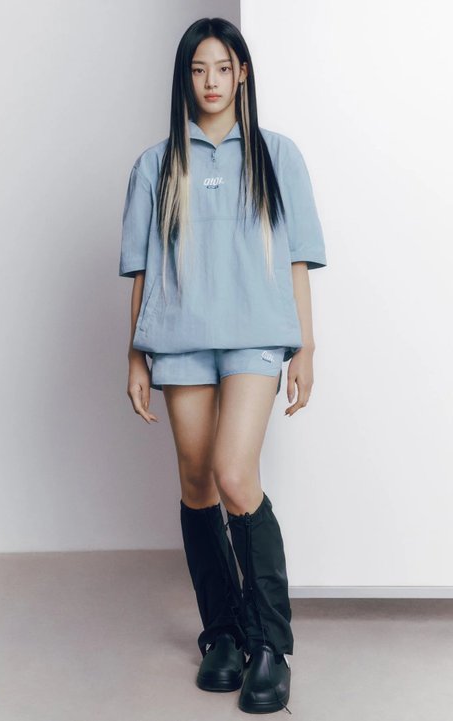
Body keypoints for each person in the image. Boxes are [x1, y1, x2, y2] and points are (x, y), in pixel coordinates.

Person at [119, 17, 327, 715]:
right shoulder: (155, 165)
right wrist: (136, 354)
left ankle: (271, 644)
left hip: (256, 337)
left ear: (242, 74)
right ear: (185, 79)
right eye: (197, 69)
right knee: (197, 482)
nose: (210, 81)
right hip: (179, 338)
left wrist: (305, 345)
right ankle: (225, 634)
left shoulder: (277, 154)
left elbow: (297, 258)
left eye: (222, 67)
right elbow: (142, 269)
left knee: (235, 474)